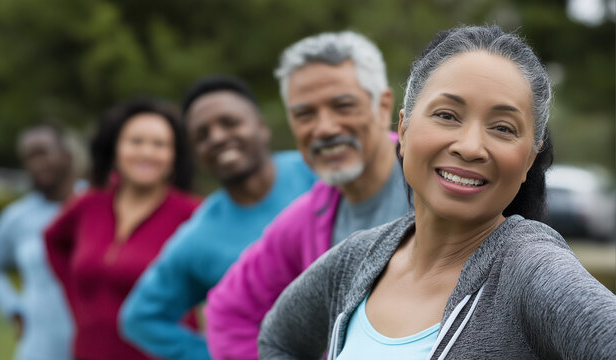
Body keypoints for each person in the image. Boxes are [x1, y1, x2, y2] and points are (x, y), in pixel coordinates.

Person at [258, 25, 616, 360]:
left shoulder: (531, 272)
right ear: (404, 128)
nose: (471, 146)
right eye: (447, 115)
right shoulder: (356, 261)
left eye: (503, 127)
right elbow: (277, 340)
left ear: (528, 159)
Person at [205, 31, 411, 360]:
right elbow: (228, 312)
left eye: (343, 106)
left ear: (383, 104)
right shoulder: (304, 219)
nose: (324, 128)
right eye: (305, 114)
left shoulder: (437, 184)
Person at [118, 76, 316, 360]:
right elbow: (140, 319)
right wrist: (224, 354)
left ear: (261, 127)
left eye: (230, 123)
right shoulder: (197, 237)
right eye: (202, 135)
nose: (218, 137)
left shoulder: (317, 176)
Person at [45, 98, 201, 360]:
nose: (146, 153)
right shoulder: (88, 205)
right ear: (115, 148)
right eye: (136, 141)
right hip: (89, 352)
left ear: (174, 156)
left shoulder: (193, 215)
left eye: (159, 144)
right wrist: (80, 303)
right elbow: (53, 240)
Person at [0, 124, 78, 360]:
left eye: (43, 153)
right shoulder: (18, 217)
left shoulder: (94, 206)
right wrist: (13, 307)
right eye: (29, 157)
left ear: (66, 155)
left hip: (92, 344)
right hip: (39, 346)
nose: (36, 164)